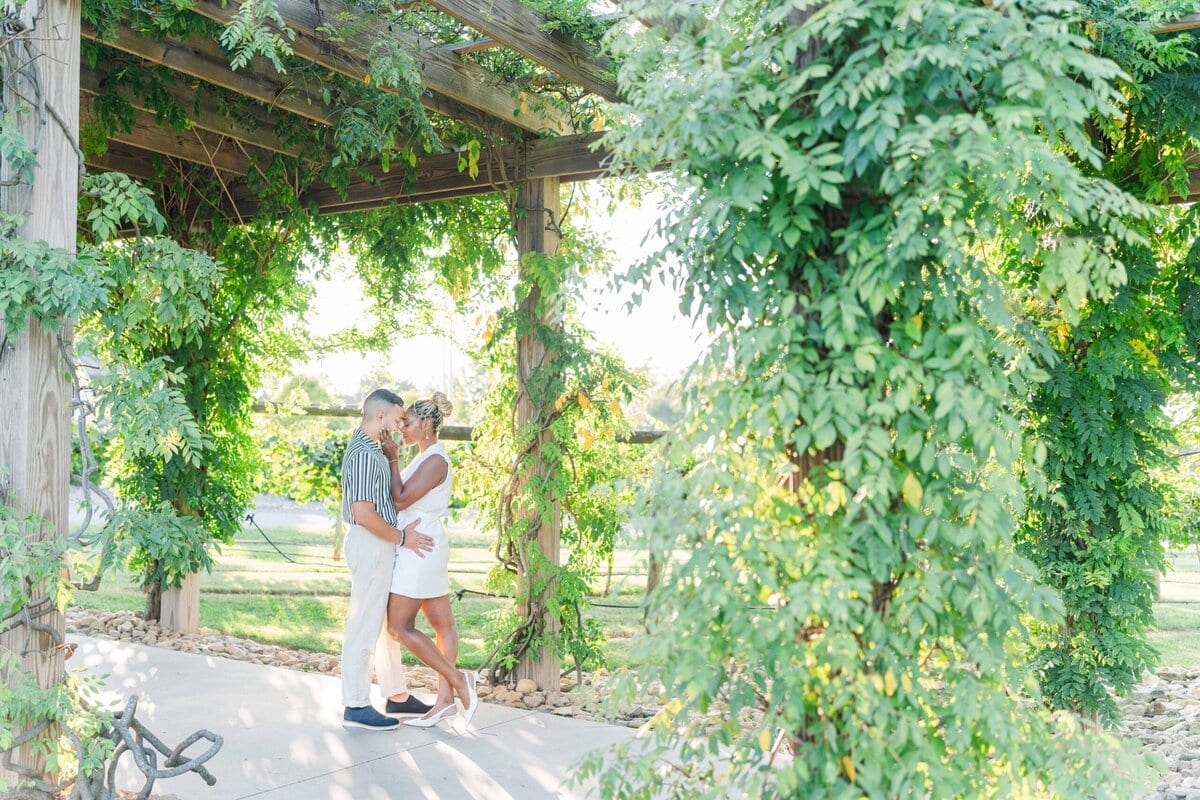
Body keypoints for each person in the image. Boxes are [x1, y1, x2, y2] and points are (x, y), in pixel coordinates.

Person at [340, 389, 436, 731]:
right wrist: (403, 537)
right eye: (397, 419)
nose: (399, 426)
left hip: (379, 543)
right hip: (370, 543)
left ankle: (395, 695)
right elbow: (363, 513)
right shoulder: (364, 455)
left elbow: (383, 504)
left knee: (378, 624)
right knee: (363, 625)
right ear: (380, 416)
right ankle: (355, 705)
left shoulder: (372, 450)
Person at [381, 392, 479, 730]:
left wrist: (392, 458)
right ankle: (444, 703)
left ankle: (459, 680)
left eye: (407, 423)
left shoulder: (436, 460)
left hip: (419, 552)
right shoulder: (425, 456)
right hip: (423, 547)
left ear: (426, 424)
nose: (402, 429)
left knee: (398, 627)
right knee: (443, 626)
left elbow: (402, 498)